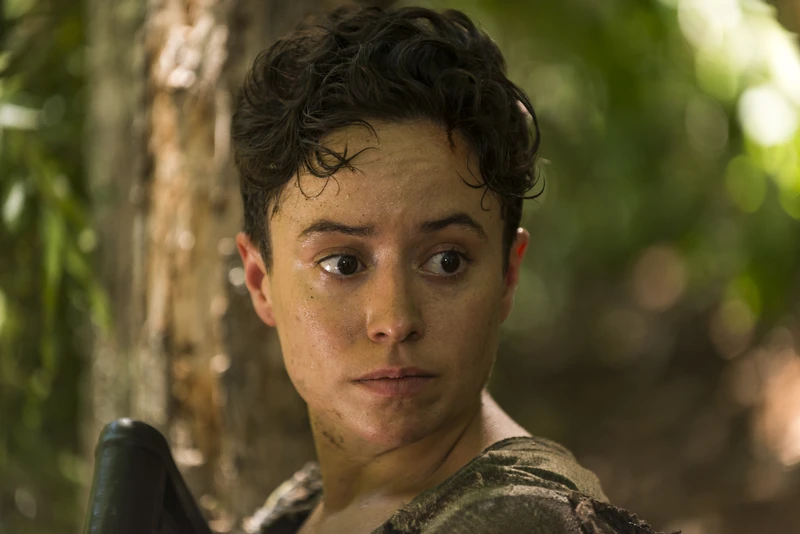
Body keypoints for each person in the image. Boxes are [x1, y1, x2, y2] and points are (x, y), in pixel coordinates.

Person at [232, 4, 666, 533]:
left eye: (447, 261)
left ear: (507, 274)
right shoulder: (306, 508)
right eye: (343, 263)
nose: (395, 320)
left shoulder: (515, 522)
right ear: (261, 283)